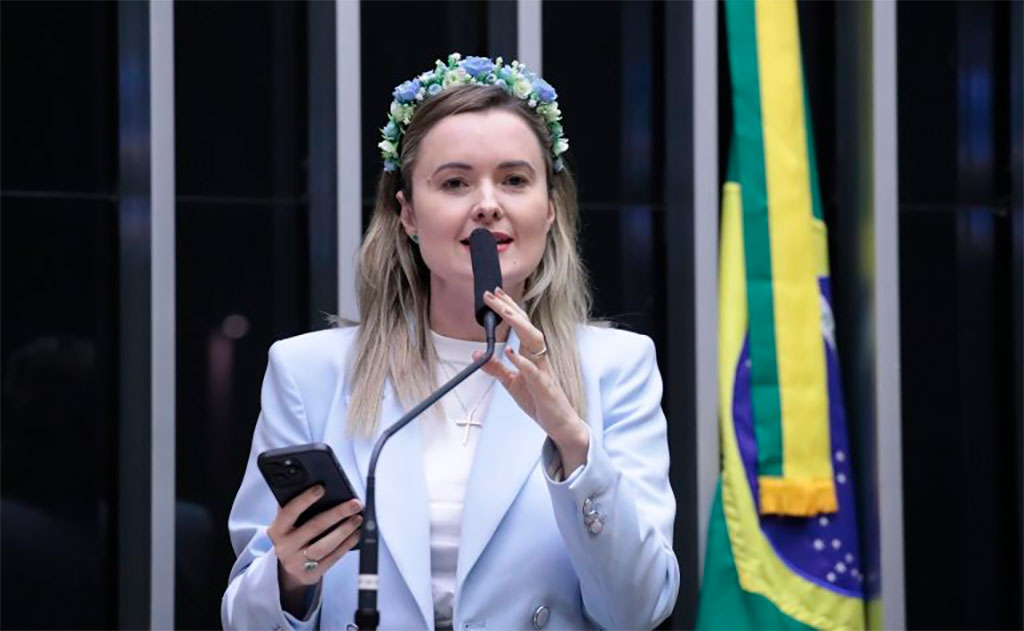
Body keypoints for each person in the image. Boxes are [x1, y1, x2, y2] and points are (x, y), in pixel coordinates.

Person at [222, 53, 679, 630]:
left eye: (514, 180)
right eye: (456, 182)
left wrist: (572, 444)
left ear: (551, 209)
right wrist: (290, 576)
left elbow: (638, 611)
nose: (487, 203)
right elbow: (243, 618)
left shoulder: (617, 366)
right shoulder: (308, 370)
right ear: (408, 214)